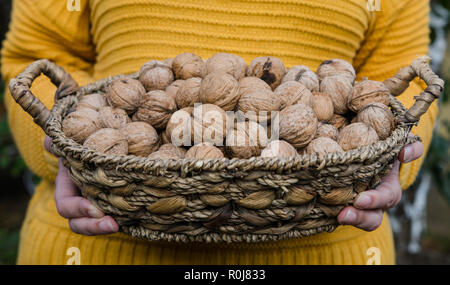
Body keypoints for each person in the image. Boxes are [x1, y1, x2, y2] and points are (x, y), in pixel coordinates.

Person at [1, 0, 435, 265]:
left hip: (327, 242)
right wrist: (67, 153)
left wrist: (389, 158)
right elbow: (34, 58)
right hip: (104, 239)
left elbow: (403, 80)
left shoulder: (304, 114)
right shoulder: (164, 109)